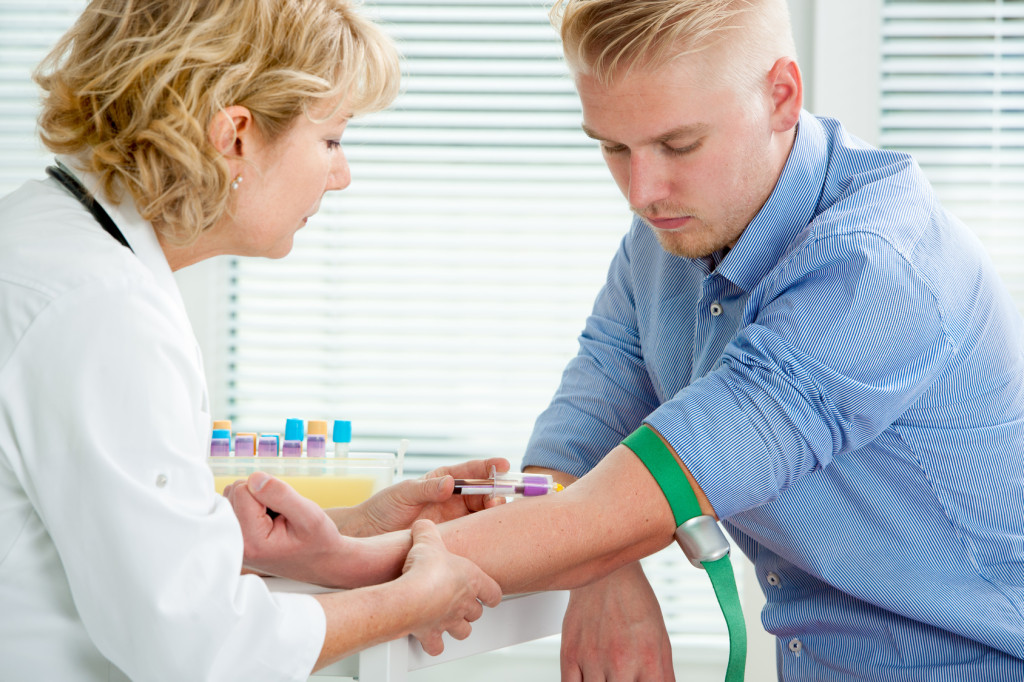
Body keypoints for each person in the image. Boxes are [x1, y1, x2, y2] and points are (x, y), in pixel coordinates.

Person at [228, 0, 1024, 680]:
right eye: (612, 147)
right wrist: (603, 565)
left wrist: (352, 557)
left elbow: (644, 497)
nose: (643, 191)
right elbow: (589, 421)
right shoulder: (674, 231)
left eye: (680, 146)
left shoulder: (877, 270)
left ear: (782, 96)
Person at [0, 1, 505, 680]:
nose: (342, 173)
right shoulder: (103, 315)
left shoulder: (42, 240)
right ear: (235, 134)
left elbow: (102, 543)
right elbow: (197, 643)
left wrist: (354, 529)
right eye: (331, 139)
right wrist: (411, 601)